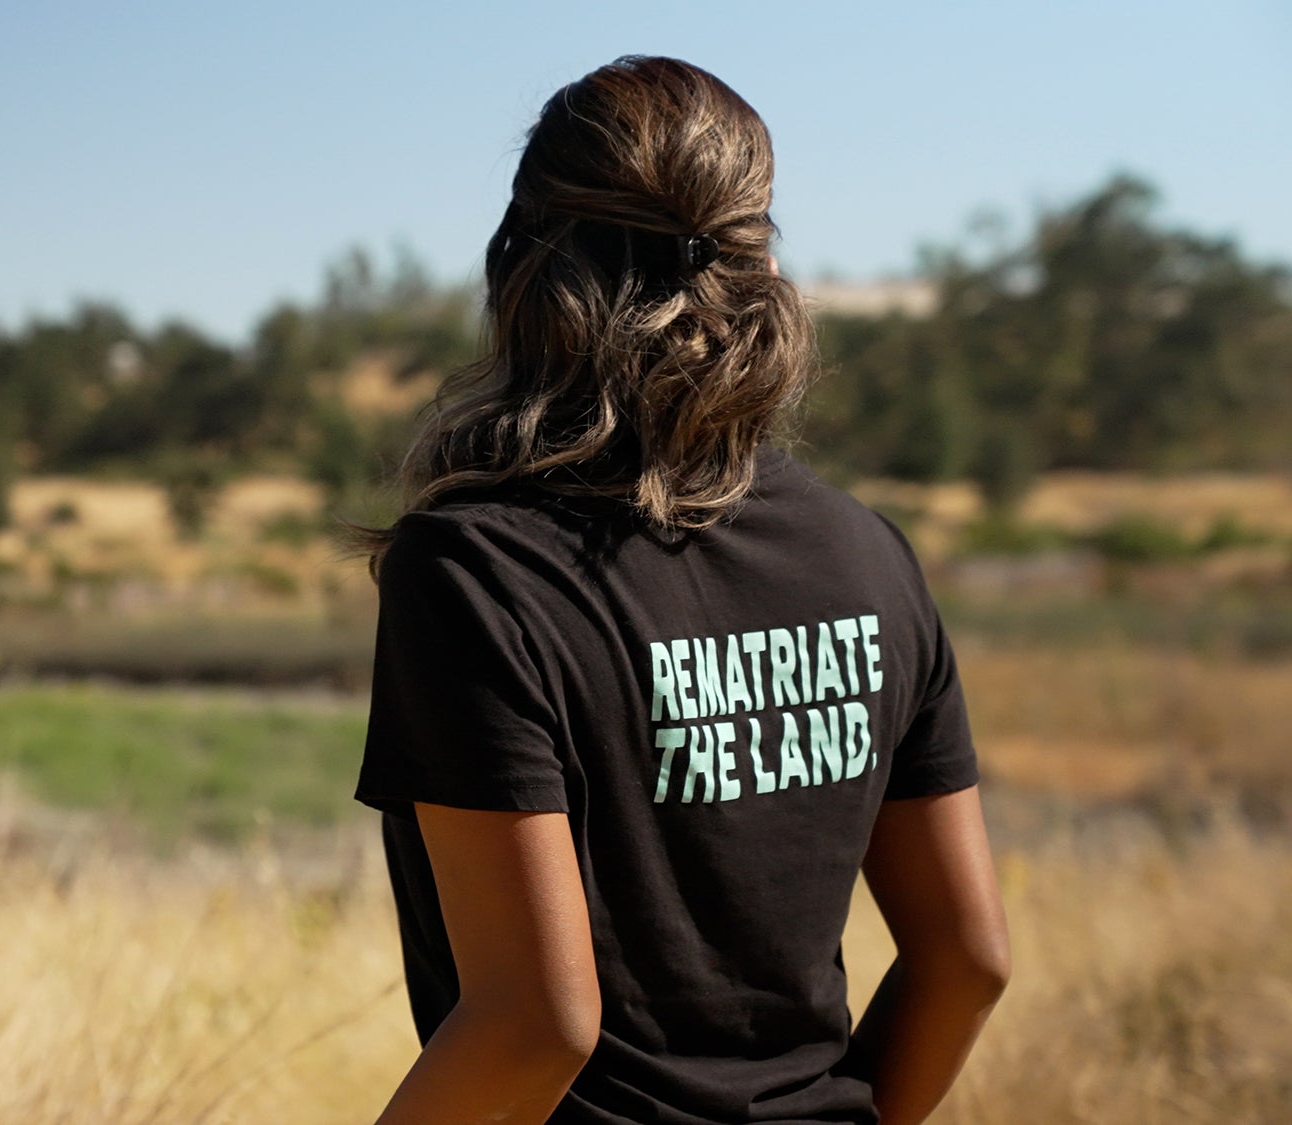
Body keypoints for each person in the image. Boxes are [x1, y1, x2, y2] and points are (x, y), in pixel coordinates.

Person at [342, 56, 1011, 1125]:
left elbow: (535, 1025)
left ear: (522, 265)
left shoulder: (473, 575)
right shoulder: (868, 555)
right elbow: (967, 959)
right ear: (753, 260)